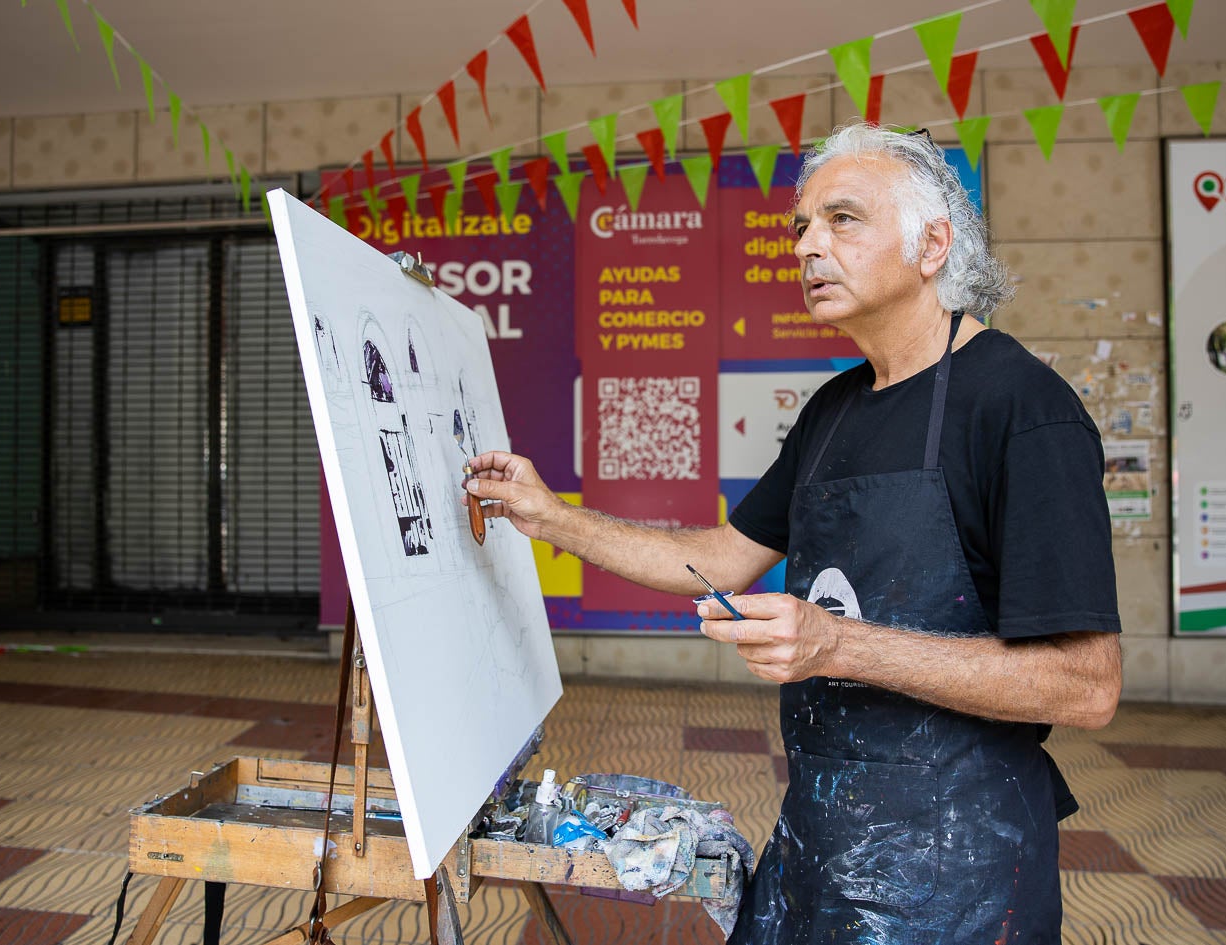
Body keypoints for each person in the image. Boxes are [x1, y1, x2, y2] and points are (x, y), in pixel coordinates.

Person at [464, 122, 1122, 944]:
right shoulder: (831, 412)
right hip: (818, 840)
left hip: (959, 869)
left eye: (841, 219)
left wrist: (838, 646)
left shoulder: (1022, 409)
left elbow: (1086, 684)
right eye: (800, 225)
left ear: (932, 244)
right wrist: (550, 515)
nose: (808, 244)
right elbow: (715, 559)